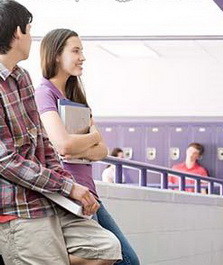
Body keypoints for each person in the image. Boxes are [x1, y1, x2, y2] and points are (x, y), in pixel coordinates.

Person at [0, 1, 121, 264]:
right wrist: (68, 184)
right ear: (17, 33)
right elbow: (6, 161)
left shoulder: (22, 78)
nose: (32, 37)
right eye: (29, 30)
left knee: (109, 248)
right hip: (19, 209)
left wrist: (69, 186)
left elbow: (44, 143)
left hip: (49, 198)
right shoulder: (38, 90)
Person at [35, 28, 140, 265]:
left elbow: (102, 149)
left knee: (128, 260)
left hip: (89, 193)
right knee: (125, 260)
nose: (82, 57)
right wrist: (90, 137)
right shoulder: (44, 94)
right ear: (55, 55)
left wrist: (83, 143)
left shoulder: (75, 96)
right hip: (69, 196)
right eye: (76, 51)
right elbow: (64, 145)